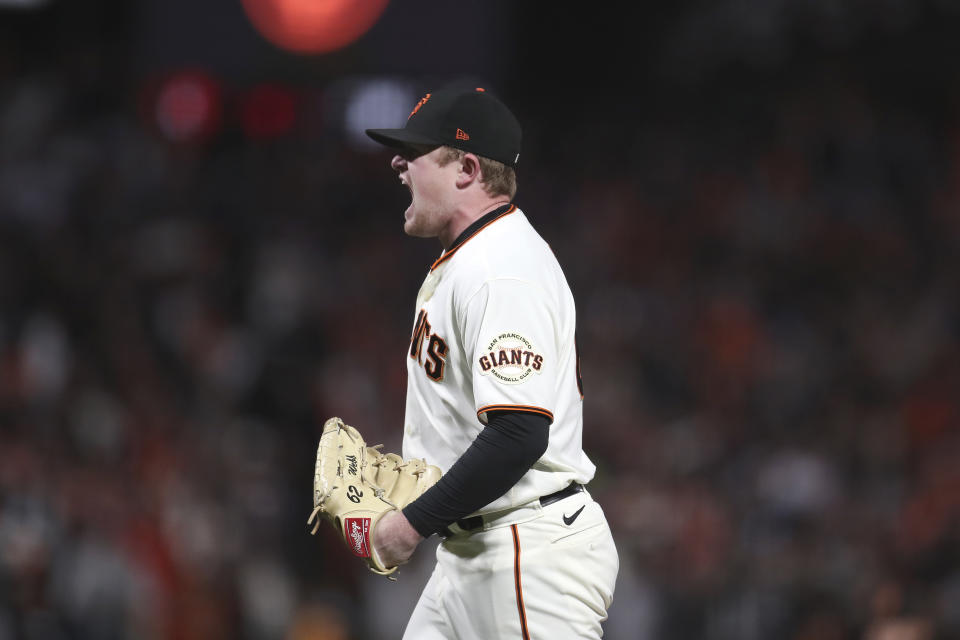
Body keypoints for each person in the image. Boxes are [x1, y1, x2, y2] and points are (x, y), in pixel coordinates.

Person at [364, 86, 619, 639]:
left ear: (467, 169)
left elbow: (520, 433)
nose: (398, 164)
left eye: (416, 152)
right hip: (473, 552)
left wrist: (410, 525)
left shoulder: (502, 266)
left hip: (526, 553)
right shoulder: (470, 259)